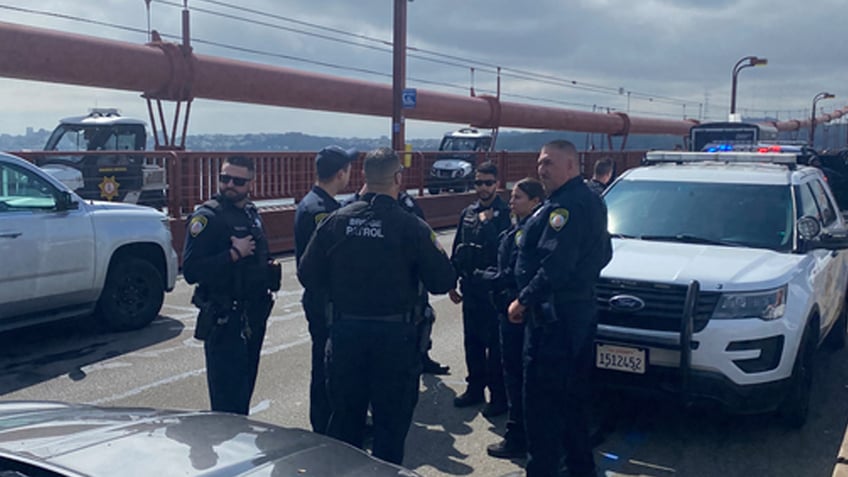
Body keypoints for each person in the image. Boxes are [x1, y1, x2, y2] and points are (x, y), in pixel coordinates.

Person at [297, 147, 456, 465]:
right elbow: (442, 279)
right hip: (394, 340)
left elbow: (307, 275)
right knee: (389, 429)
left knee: (345, 426)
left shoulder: (335, 221)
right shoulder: (411, 227)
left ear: (364, 178)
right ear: (398, 178)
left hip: (345, 335)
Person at [509, 140, 612, 477]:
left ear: (572, 165)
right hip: (575, 315)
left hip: (554, 321)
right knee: (571, 403)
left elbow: (557, 266)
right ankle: (580, 469)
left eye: (550, 163)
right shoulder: (589, 200)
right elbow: (604, 254)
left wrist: (524, 299)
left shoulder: (566, 207)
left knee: (542, 407)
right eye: (540, 163)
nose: (542, 169)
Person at [183, 155, 281, 415]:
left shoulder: (250, 213)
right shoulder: (207, 217)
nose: (230, 185)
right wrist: (232, 255)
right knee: (227, 405)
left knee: (244, 393)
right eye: (225, 178)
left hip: (252, 316)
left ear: (251, 182)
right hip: (224, 319)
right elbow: (191, 270)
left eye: (238, 181)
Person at [345, 185, 450, 376]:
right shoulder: (356, 206)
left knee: (423, 316)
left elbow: (422, 230)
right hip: (376, 284)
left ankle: (422, 356)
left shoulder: (406, 203)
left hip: (411, 275)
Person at [477, 177, 545, 459]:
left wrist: (486, 277)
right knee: (513, 374)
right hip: (509, 309)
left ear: (535, 202)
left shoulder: (530, 231)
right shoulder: (517, 228)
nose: (513, 201)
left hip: (518, 313)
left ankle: (518, 436)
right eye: (513, 196)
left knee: (517, 376)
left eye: (519, 197)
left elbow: (516, 273)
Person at [293, 145, 357, 434]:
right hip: (326, 301)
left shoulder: (317, 204)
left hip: (326, 299)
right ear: (341, 173)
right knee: (326, 365)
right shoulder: (321, 212)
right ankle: (325, 426)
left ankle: (333, 421)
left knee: (332, 363)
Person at [449, 161, 511, 416]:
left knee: (495, 347)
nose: (483, 188)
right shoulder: (468, 212)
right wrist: (451, 282)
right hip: (471, 288)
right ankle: (475, 388)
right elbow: (458, 248)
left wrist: (488, 224)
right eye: (478, 183)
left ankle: (498, 397)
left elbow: (506, 252)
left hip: (493, 291)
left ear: (497, 184)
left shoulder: (506, 213)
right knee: (472, 342)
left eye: (488, 183)